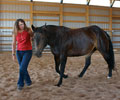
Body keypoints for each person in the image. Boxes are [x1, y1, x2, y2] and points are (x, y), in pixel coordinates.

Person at [12, 19, 33, 90]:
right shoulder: (15, 32)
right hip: (19, 52)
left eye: (22, 24)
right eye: (20, 25)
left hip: (28, 51)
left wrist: (32, 34)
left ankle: (20, 83)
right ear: (17, 26)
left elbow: (33, 38)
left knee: (22, 68)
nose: (22, 26)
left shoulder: (28, 30)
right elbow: (14, 43)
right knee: (23, 68)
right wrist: (13, 54)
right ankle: (28, 81)